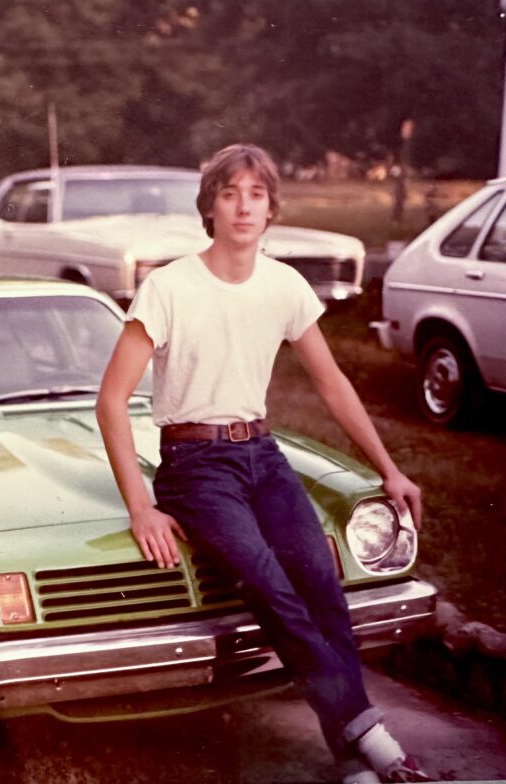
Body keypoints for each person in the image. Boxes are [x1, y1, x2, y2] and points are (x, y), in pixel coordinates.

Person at [95, 143, 431, 784]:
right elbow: (110, 402)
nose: (244, 205)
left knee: (321, 584)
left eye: (255, 193)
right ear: (210, 208)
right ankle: (372, 738)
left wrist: (389, 469)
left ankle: (349, 759)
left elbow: (331, 382)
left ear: (271, 208)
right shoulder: (170, 286)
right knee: (271, 588)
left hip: (263, 455)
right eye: (230, 193)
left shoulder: (283, 284)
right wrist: (142, 504)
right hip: (194, 466)